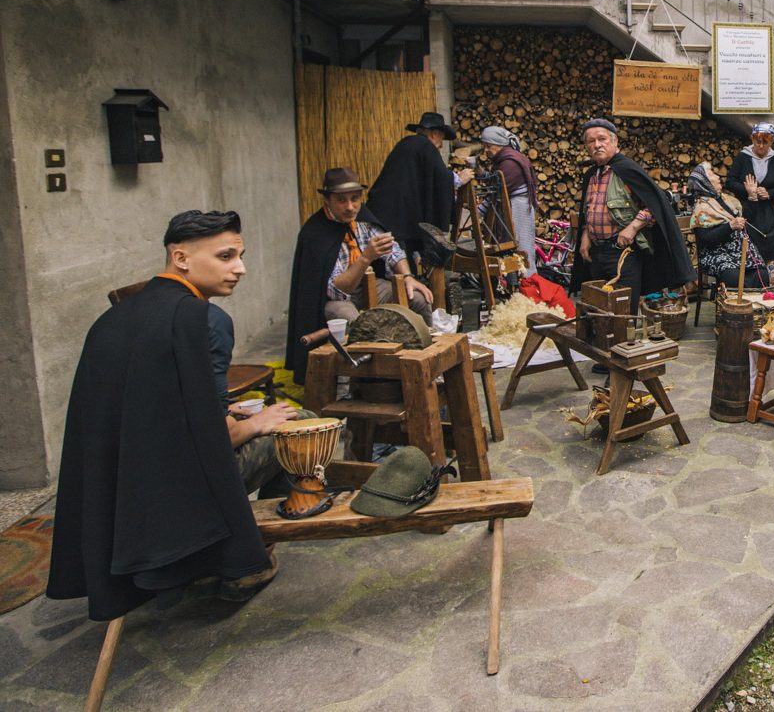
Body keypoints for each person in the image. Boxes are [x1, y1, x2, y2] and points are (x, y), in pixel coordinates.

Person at [49, 211, 280, 620]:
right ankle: (240, 565)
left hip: (122, 498)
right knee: (292, 429)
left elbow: (152, 407)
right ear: (181, 258)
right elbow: (211, 436)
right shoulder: (205, 320)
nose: (240, 268)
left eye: (240, 255)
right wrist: (257, 423)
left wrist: (224, 410)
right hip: (181, 497)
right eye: (226, 256)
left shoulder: (112, 319)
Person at [285, 167, 433, 387]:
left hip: (368, 286)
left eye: (355, 199)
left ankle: (428, 365)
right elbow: (337, 290)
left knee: (418, 299)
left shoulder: (363, 220)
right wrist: (365, 258)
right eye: (341, 201)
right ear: (328, 201)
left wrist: (408, 276)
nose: (350, 207)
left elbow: (393, 250)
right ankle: (362, 382)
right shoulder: (315, 233)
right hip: (335, 298)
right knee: (356, 323)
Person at [570, 118, 696, 318]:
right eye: (591, 141)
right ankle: (601, 346)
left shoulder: (627, 169)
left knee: (623, 311)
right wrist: (585, 234)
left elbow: (656, 203)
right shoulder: (592, 175)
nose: (596, 145)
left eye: (601, 139)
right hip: (596, 253)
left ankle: (622, 346)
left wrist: (633, 227)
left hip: (623, 253)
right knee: (597, 307)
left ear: (614, 141)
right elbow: (588, 208)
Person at [367, 111, 469, 266]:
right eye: (441, 138)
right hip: (396, 216)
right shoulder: (425, 146)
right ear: (435, 134)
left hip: (384, 213)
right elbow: (440, 177)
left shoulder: (406, 144)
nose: (441, 145)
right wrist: (459, 179)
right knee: (398, 265)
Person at [687, 162, 770, 288]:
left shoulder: (725, 199)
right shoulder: (700, 209)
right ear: (705, 182)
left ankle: (754, 305)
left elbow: (745, 219)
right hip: (715, 253)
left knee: (762, 275)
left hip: (738, 249)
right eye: (712, 174)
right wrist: (730, 226)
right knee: (734, 278)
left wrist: (752, 195)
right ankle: (734, 306)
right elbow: (706, 239)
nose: (718, 176)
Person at [725, 123, 774, 280]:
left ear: (772, 142)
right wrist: (748, 191)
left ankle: (773, 291)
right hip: (749, 213)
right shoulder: (743, 157)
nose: (760, 146)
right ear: (752, 140)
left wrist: (769, 193)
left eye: (765, 143)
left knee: (772, 253)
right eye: (757, 142)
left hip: (771, 215)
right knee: (750, 251)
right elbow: (730, 182)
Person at [481, 125, 540, 275]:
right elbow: (496, 181)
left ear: (499, 144)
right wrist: (480, 173)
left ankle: (526, 283)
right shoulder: (506, 159)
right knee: (519, 247)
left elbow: (497, 190)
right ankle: (516, 283)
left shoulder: (510, 163)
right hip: (517, 206)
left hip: (517, 209)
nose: (486, 151)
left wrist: (479, 211)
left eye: (488, 146)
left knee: (521, 248)